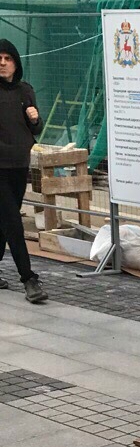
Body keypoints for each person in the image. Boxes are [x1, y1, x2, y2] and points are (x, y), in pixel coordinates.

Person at [0, 38, 48, 303]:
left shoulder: (25, 91)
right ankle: (29, 279)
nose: (3, 63)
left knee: (4, 221)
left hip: (19, 166)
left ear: (15, 63)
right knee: (13, 222)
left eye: (8, 58)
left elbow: (36, 129)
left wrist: (35, 119)